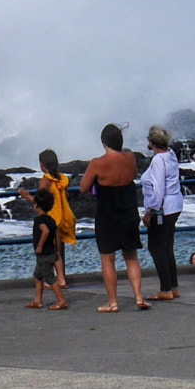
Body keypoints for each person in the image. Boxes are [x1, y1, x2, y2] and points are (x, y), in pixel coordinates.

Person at [80, 124, 149, 313]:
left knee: (108, 259)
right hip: (128, 211)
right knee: (131, 256)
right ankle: (139, 297)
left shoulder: (97, 163)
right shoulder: (130, 158)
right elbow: (133, 175)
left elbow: (84, 187)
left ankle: (113, 302)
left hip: (107, 214)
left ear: (103, 142)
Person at [140, 125, 184, 301]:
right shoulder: (171, 154)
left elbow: (158, 190)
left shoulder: (158, 161)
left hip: (161, 210)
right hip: (174, 206)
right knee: (167, 246)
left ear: (151, 143)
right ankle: (173, 286)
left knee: (156, 246)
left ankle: (165, 289)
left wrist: (150, 211)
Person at [22, 150, 77, 291]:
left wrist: (26, 196)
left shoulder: (46, 179)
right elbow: (67, 196)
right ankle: (61, 278)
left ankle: (48, 280)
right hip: (63, 218)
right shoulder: (63, 179)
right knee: (57, 252)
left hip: (50, 219)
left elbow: (40, 201)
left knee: (47, 252)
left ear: (41, 165)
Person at [25, 189, 68, 310]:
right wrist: (57, 250)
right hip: (51, 252)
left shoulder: (39, 220)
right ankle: (37, 300)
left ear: (37, 205)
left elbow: (45, 231)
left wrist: (39, 246)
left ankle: (61, 300)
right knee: (38, 276)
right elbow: (57, 234)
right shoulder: (51, 219)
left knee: (49, 277)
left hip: (43, 253)